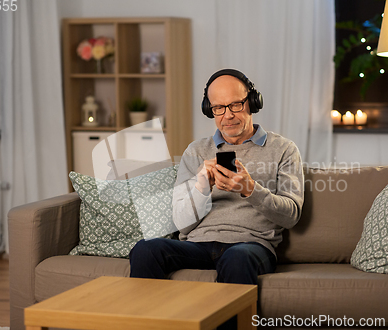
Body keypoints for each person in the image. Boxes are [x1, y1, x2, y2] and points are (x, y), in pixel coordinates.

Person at [129, 68, 304, 286]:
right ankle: (150, 321)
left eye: (235, 105)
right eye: (218, 108)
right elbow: (181, 225)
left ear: (252, 102)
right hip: (197, 245)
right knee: (146, 249)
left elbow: (291, 216)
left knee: (237, 258)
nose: (227, 115)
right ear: (209, 110)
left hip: (250, 245)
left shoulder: (284, 149)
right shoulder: (196, 151)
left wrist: (251, 189)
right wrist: (201, 188)